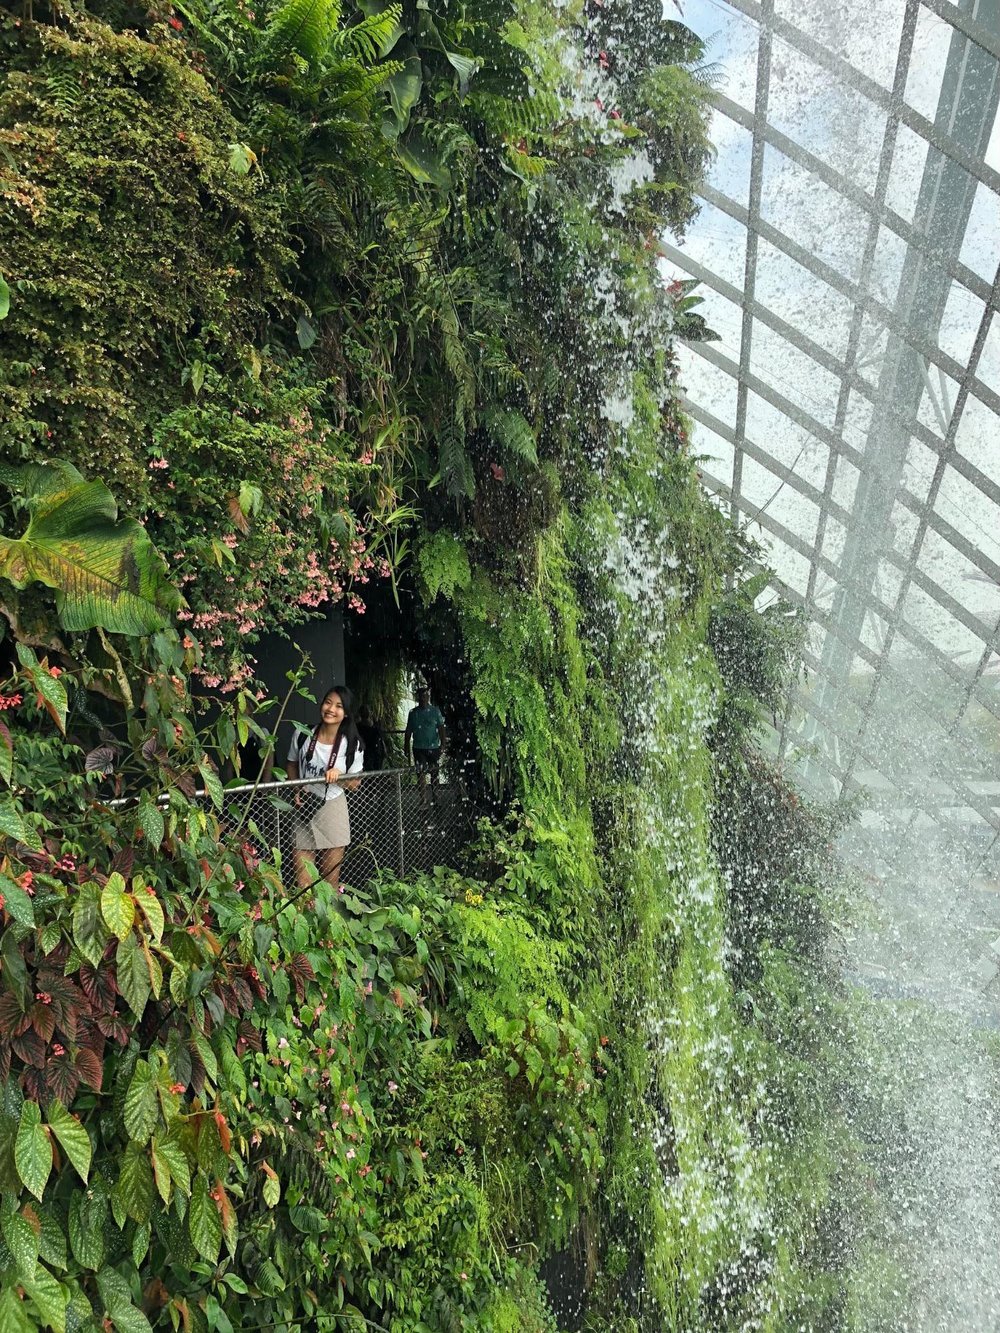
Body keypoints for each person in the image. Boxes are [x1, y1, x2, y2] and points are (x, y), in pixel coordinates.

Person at [286, 685, 363, 892]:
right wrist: (297, 788)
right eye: (328, 702)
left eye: (339, 706)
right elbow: (291, 763)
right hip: (304, 806)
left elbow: (355, 784)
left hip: (333, 807)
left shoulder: (351, 744)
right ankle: (305, 920)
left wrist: (339, 777)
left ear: (346, 713)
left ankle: (328, 921)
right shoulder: (302, 734)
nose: (331, 709)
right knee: (303, 883)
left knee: (330, 881)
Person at [404, 687, 446, 804]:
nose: (423, 699)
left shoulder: (435, 711)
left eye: (425, 696)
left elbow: (441, 728)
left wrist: (443, 744)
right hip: (418, 748)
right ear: (418, 698)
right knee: (420, 773)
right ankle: (423, 799)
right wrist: (406, 746)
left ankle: (435, 795)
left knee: (434, 771)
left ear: (428, 698)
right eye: (420, 697)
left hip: (433, 747)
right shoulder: (413, 713)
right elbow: (408, 731)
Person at [356, 706, 387, 772]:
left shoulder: (375, 725)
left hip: (376, 750)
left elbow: (380, 738)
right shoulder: (359, 727)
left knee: (376, 769)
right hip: (366, 750)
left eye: (368, 711)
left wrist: (383, 749)